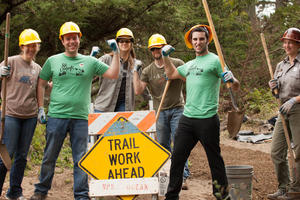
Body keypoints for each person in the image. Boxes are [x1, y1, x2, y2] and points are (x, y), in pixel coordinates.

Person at [30, 21, 120, 200]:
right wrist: (40, 108)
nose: (72, 41)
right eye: (68, 38)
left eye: (75, 38)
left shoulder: (90, 61)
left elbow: (113, 74)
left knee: (80, 159)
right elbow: (41, 83)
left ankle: (81, 195)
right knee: (49, 156)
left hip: (81, 118)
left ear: (79, 39)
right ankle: (41, 191)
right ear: (63, 41)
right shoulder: (53, 61)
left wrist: (116, 53)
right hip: (57, 116)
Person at [162, 24, 240, 200]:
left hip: (207, 119)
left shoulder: (215, 60)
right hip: (187, 119)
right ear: (191, 42)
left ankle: (222, 196)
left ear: (207, 41)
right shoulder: (189, 65)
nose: (198, 42)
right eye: (195, 39)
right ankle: (171, 196)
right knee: (177, 158)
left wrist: (232, 79)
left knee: (215, 160)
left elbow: (235, 87)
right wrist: (165, 57)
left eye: (201, 39)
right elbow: (171, 73)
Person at [133, 33, 190, 189]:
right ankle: (167, 175)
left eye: (159, 48)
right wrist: (134, 72)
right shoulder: (148, 70)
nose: (156, 51)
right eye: (153, 49)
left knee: (179, 143)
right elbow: (138, 90)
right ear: (151, 51)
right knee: (163, 145)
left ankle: (182, 176)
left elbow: (188, 79)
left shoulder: (177, 63)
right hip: (161, 112)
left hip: (178, 109)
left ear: (165, 48)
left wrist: (173, 72)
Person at [0, 29, 42, 200]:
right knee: (6, 154)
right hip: (10, 114)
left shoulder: (37, 68)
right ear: (21, 46)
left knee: (22, 156)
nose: (31, 48)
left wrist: (41, 109)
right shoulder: (10, 61)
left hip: (30, 117)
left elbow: (43, 87)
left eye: (34, 45)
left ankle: (15, 192)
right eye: (28, 45)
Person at [267, 27, 300, 200]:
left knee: (299, 151)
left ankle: (296, 190)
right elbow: (276, 94)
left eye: (291, 42)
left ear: (298, 44)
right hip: (282, 110)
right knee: (276, 151)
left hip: (298, 110)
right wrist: (274, 88)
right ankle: (284, 187)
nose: (287, 45)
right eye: (285, 42)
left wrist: (295, 100)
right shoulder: (281, 65)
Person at [94, 28, 142, 112]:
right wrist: (91, 56)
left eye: (127, 41)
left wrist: (150, 99)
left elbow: (139, 86)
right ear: (117, 43)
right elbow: (90, 70)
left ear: (131, 44)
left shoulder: (136, 64)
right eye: (121, 41)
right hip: (104, 105)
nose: (124, 43)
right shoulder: (106, 59)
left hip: (124, 106)